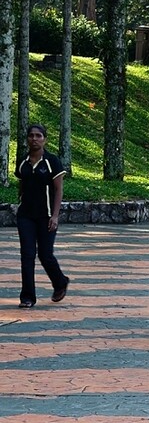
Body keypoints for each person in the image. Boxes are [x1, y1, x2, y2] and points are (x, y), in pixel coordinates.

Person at [14, 123, 70, 308]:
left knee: (45, 255)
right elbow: (22, 184)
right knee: (27, 255)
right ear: (27, 138)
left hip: (46, 216)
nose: (34, 139)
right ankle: (27, 297)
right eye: (31, 135)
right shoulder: (23, 162)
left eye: (38, 136)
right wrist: (20, 202)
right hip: (25, 216)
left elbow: (58, 189)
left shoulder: (52, 161)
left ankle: (60, 282)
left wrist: (55, 216)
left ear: (45, 139)